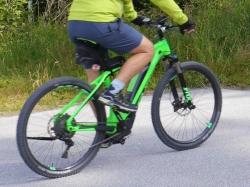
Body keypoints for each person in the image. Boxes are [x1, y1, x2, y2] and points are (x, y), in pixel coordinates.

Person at [68, 0, 195, 112]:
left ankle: (103, 130)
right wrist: (183, 21)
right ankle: (113, 91)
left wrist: (133, 16)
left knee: (94, 79)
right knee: (147, 50)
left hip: (75, 24)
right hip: (101, 22)